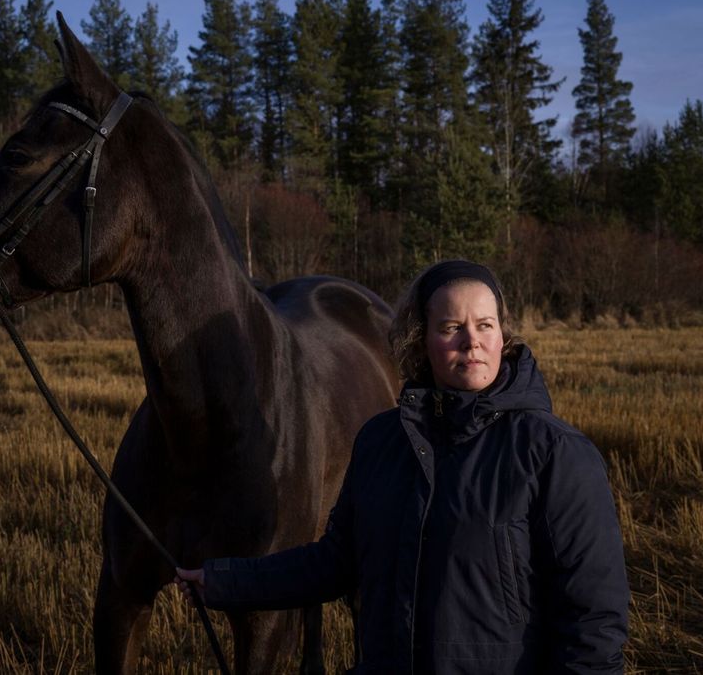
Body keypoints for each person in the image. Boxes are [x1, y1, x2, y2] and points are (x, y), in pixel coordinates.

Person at [175, 260, 629, 673]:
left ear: (502, 336)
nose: (472, 341)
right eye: (452, 326)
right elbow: (334, 563)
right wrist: (223, 581)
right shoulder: (380, 442)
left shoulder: (554, 452)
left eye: (485, 325)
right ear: (421, 338)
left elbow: (594, 619)